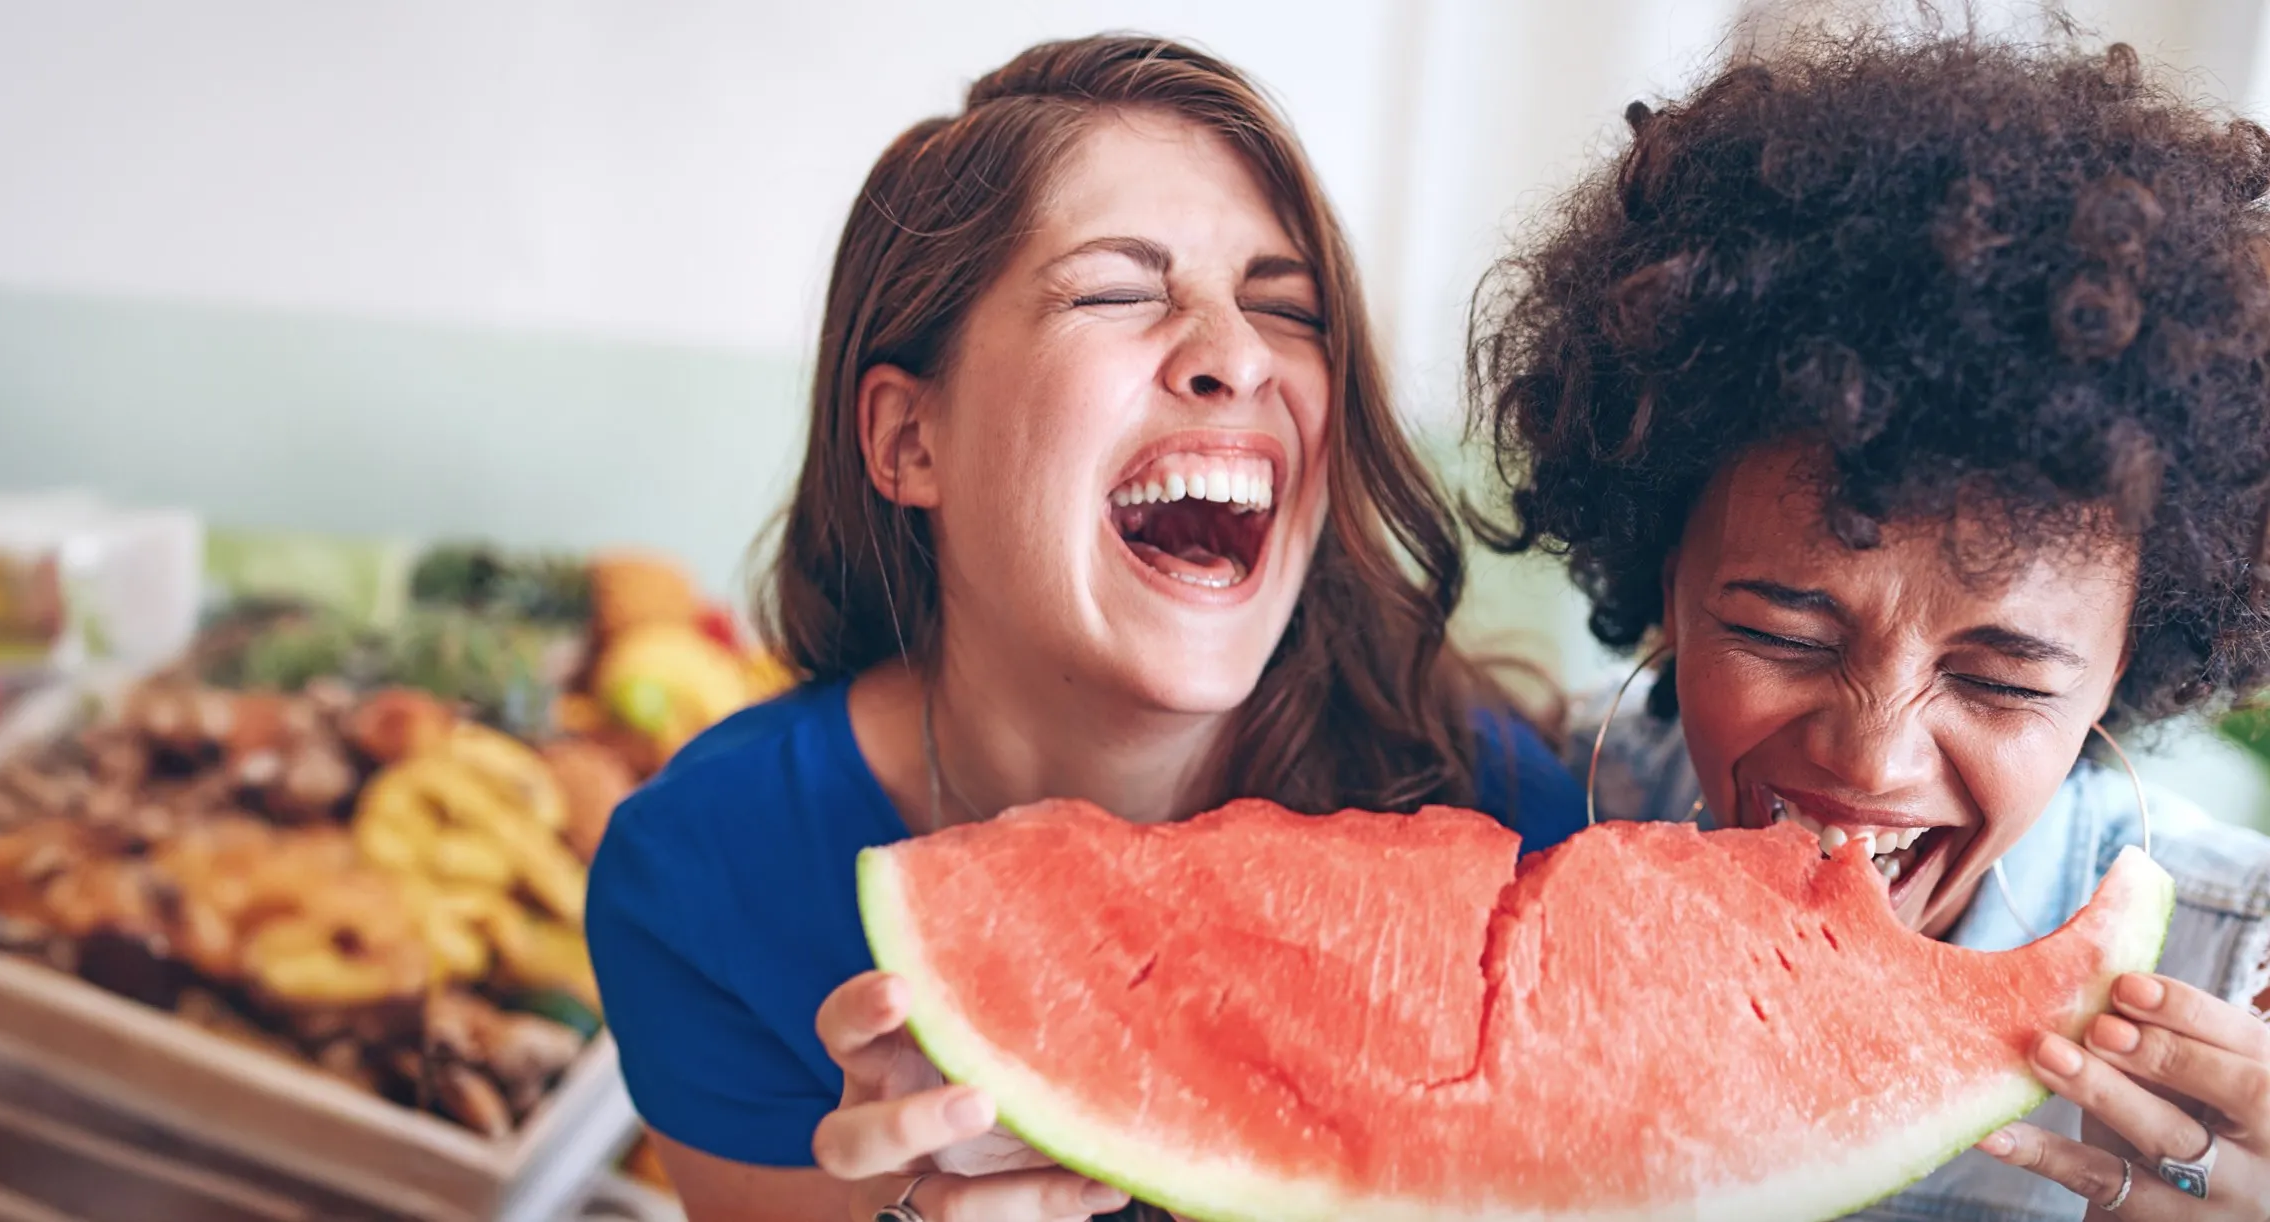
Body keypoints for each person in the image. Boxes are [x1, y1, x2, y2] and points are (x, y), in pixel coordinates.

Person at [588, 33, 1587, 1222]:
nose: (1238, 355)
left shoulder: (1499, 833)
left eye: (1286, 308)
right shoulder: (698, 878)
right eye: (1117, 292)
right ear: (909, 440)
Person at [1472, 30, 2270, 1220]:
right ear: (1670, 573)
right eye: (1786, 637)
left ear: (2125, 661)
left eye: (2000, 680)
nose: (1871, 760)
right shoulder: (1509, 829)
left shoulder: (2242, 972)